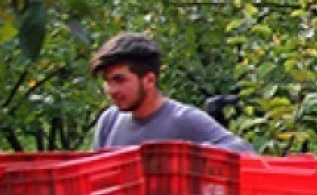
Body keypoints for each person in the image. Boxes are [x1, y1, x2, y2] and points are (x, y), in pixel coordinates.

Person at [89, 33, 252, 153]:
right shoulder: (109, 121)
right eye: (107, 81)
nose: (111, 90)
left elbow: (244, 153)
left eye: (120, 80)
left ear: (149, 80)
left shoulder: (183, 119)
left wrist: (190, 156)